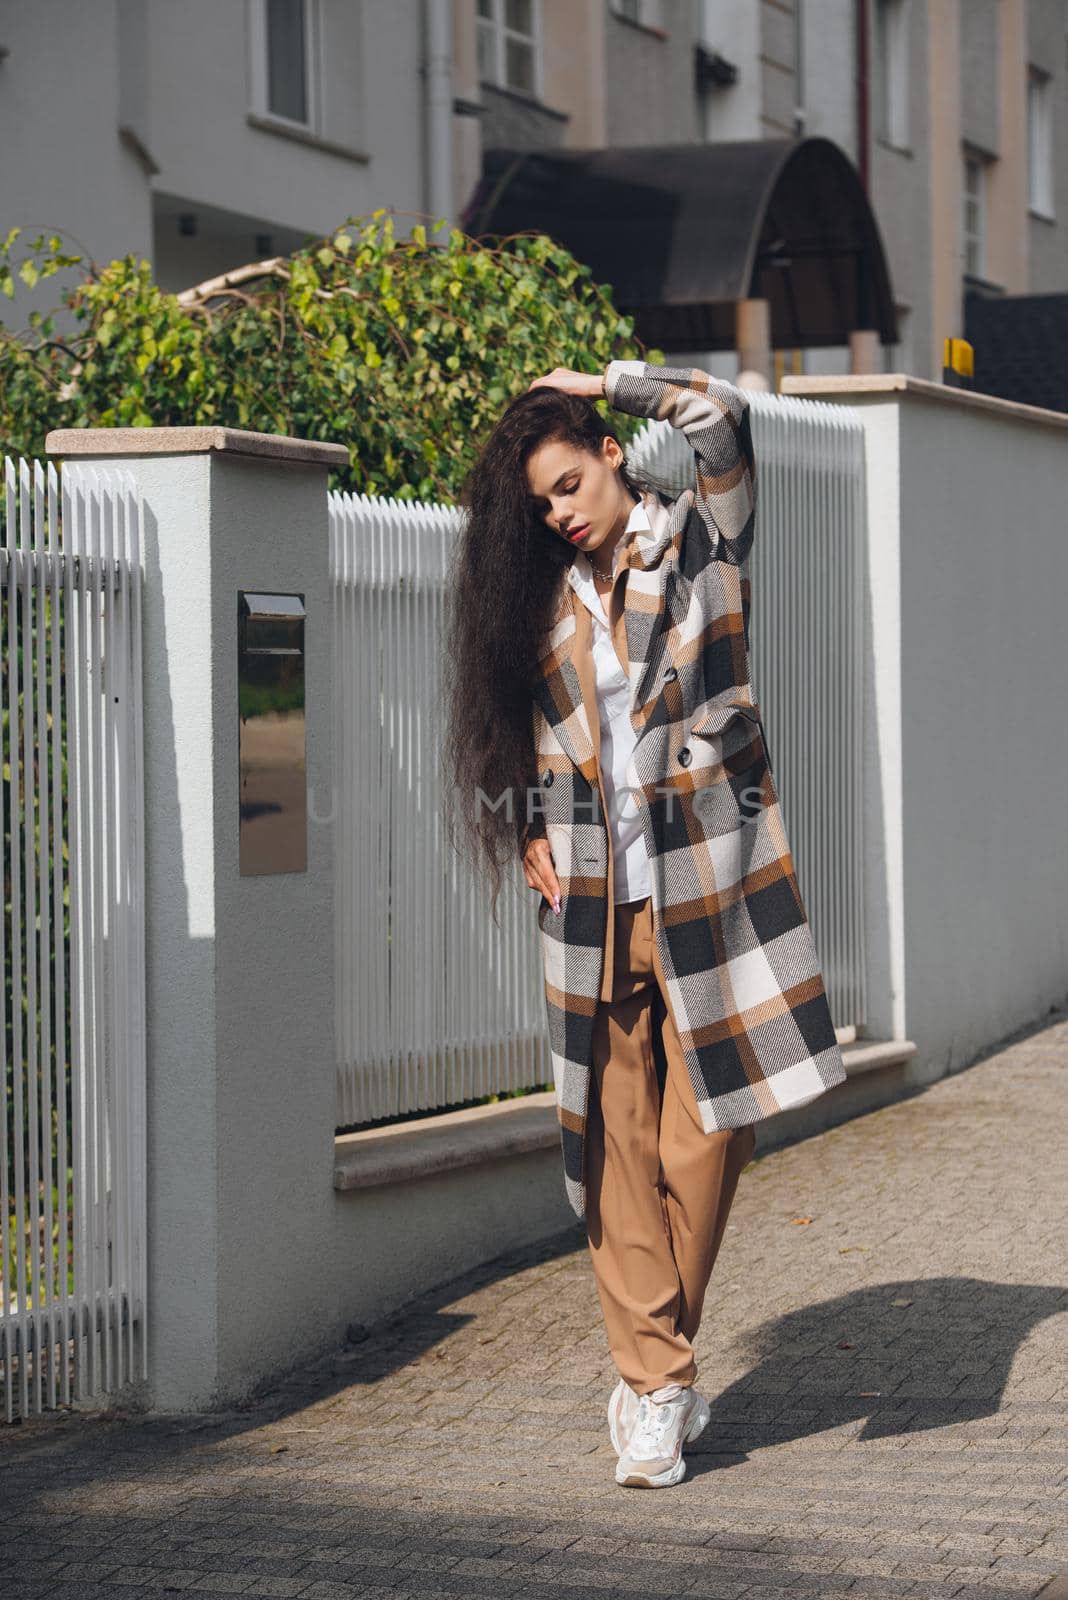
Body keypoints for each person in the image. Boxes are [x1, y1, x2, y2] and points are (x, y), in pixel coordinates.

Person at [442, 359, 847, 1490]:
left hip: (706, 874)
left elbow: (721, 417)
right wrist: (523, 817)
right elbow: (523, 727)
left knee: (709, 1122)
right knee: (610, 1129)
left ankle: (651, 1354)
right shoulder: (541, 601)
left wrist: (609, 380)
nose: (560, 511)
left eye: (569, 482)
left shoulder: (704, 537)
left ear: (612, 456)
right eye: (542, 502)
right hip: (588, 890)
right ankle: (661, 1382)